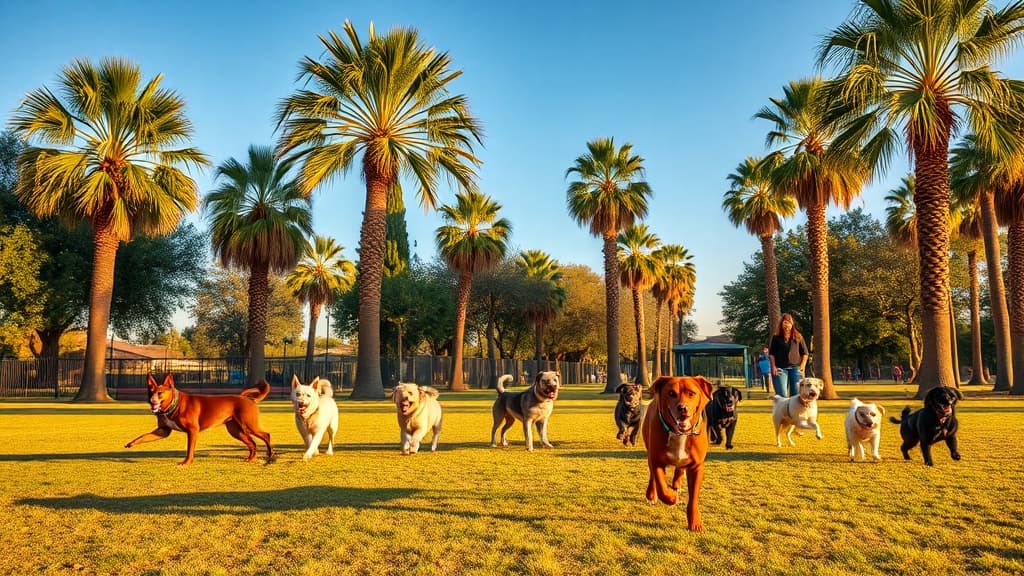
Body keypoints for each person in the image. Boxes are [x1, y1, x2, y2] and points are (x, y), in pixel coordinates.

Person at [768, 313, 808, 397]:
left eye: (789, 322)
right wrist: (773, 367)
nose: (787, 325)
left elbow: (805, 353)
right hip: (780, 368)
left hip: (795, 368)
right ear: (781, 324)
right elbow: (771, 354)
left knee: (796, 395)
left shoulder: (798, 337)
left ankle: (793, 407)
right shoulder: (776, 337)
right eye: (785, 322)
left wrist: (802, 366)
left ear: (792, 324)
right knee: (782, 395)